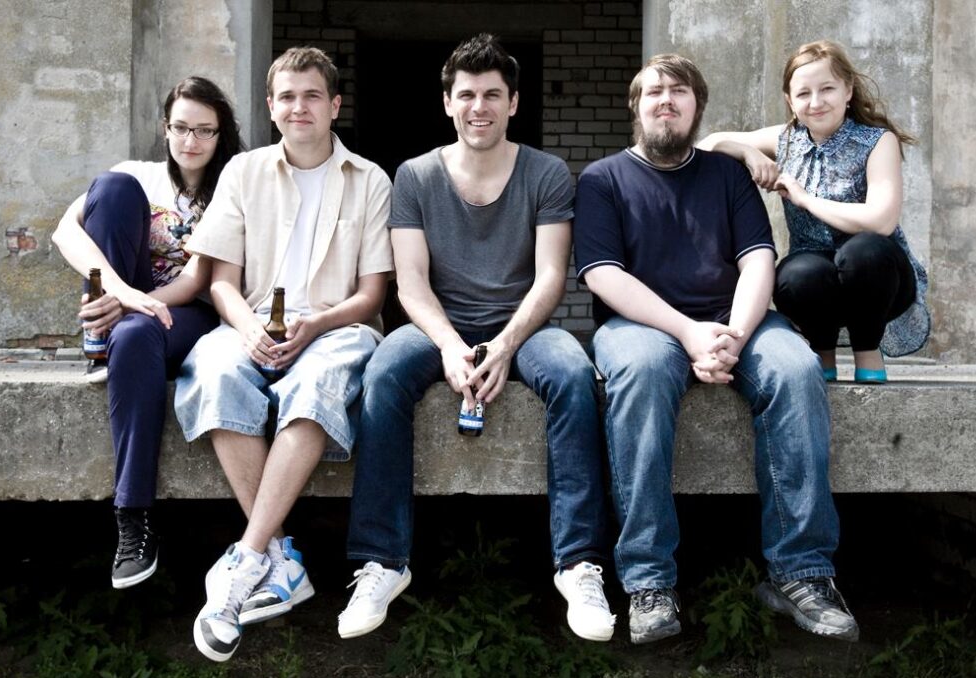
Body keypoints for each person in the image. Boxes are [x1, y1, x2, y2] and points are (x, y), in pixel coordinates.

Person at [338, 34, 615, 643]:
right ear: (448, 103)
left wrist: (507, 345)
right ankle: (380, 562)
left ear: (513, 103)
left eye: (493, 94)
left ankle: (579, 564)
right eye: (466, 94)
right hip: (439, 324)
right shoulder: (414, 176)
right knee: (382, 373)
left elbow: (549, 279)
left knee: (572, 373)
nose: (479, 106)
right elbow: (408, 284)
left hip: (527, 326)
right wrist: (446, 345)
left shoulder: (545, 173)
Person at [573, 53, 858, 644]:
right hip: (642, 326)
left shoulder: (726, 176)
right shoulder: (602, 180)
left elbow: (758, 258)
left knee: (796, 368)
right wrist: (688, 331)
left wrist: (735, 333)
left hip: (736, 321)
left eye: (679, 92)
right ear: (636, 106)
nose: (666, 101)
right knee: (644, 372)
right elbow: (603, 274)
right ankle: (649, 581)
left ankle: (800, 573)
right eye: (654, 92)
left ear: (697, 107)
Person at [173, 47, 393, 662]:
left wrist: (315, 323)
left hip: (338, 326)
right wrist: (247, 330)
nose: (300, 107)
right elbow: (219, 281)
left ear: (335, 105)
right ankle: (275, 559)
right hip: (250, 321)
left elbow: (373, 294)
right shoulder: (242, 172)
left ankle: (247, 558)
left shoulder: (372, 179)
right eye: (288, 97)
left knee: (314, 385)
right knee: (213, 370)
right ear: (271, 107)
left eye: (313, 96)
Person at [51, 76, 243, 590]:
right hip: (129, 304)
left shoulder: (230, 188)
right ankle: (107, 344)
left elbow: (197, 279)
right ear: (166, 128)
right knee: (112, 189)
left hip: (190, 317)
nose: (190, 141)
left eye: (204, 131)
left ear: (220, 135)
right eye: (181, 128)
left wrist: (137, 304)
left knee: (137, 334)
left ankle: (133, 516)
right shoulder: (139, 175)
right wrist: (118, 293)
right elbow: (65, 231)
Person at [698, 39, 930, 383]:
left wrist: (805, 199)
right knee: (797, 273)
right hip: (818, 284)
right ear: (790, 101)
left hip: (882, 280)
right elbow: (708, 145)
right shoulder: (785, 140)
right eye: (804, 93)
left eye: (827, 89)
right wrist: (749, 153)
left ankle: (868, 352)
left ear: (848, 90)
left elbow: (881, 221)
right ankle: (822, 353)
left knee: (864, 250)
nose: (816, 102)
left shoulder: (878, 140)